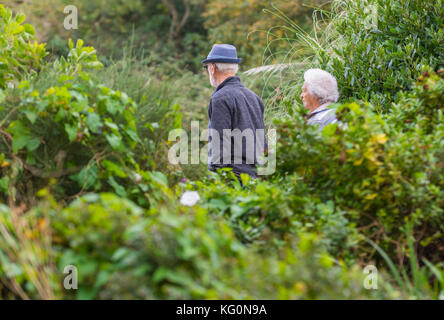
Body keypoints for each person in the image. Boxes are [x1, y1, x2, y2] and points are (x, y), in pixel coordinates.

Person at [203, 44, 267, 182]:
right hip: (257, 177)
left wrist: (219, 176)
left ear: (212, 68)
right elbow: (263, 143)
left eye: (207, 67)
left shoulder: (220, 98)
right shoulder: (254, 97)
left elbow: (219, 145)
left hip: (234, 178)